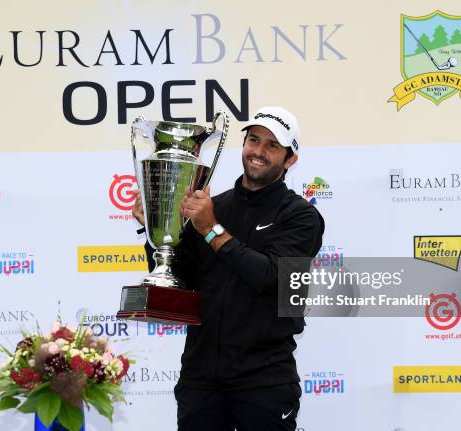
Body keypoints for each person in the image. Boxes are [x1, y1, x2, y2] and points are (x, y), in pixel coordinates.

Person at [132, 106, 325, 431]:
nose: (258, 152)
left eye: (271, 146)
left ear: (289, 160)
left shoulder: (300, 216)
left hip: (264, 382)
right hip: (200, 380)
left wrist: (211, 229)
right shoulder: (213, 206)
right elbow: (182, 279)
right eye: (253, 140)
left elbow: (272, 279)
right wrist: (155, 231)